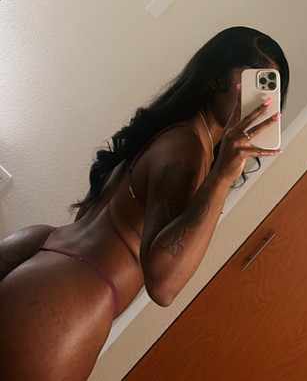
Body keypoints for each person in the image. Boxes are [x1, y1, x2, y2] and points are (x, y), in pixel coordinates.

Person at [0, 26, 289, 381]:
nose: (262, 102)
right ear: (217, 78)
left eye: (270, 91)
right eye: (256, 84)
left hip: (44, 253)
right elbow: (163, 284)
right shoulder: (188, 148)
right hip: (67, 295)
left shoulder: (173, 129)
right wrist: (222, 177)